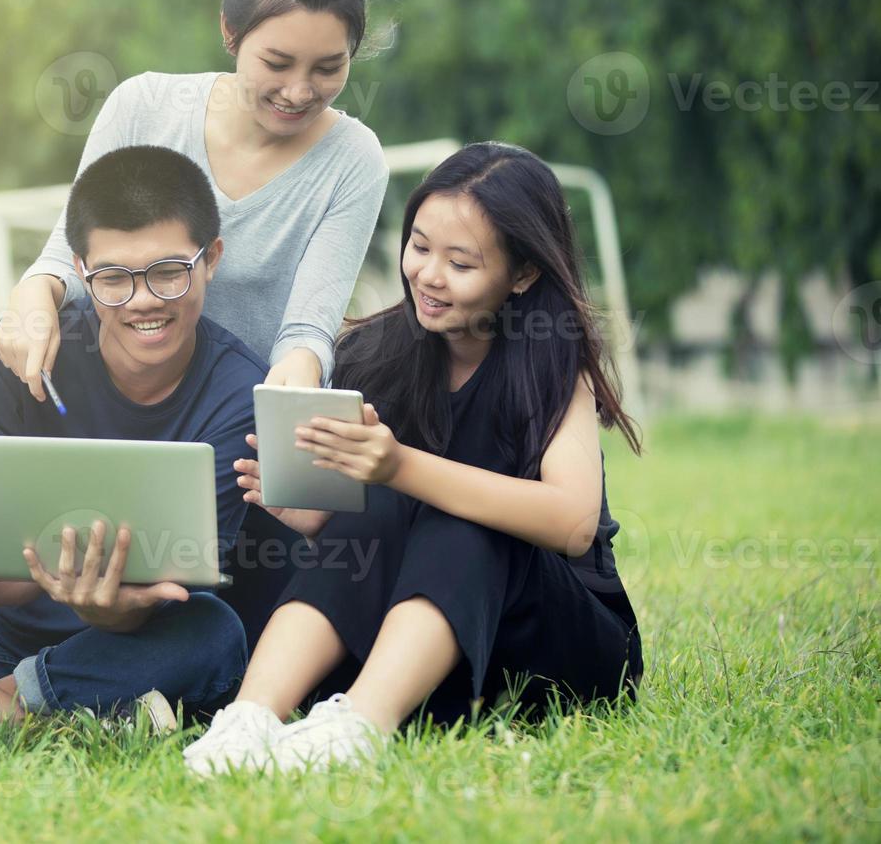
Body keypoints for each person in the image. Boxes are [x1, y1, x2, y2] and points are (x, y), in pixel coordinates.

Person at [183, 142, 646, 776]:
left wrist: (399, 467)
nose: (427, 274)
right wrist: (312, 512)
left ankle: (360, 731)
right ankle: (250, 719)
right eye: (420, 246)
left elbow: (572, 524)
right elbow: (375, 521)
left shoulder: (553, 364)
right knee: (381, 501)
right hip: (419, 654)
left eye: (460, 262)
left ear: (523, 274)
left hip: (551, 645)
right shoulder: (376, 353)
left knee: (459, 513)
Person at [0, 146, 289, 728]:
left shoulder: (240, 392)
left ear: (211, 259)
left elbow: (175, 589)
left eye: (169, 272)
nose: (143, 300)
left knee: (216, 635)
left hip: (140, 638)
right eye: (113, 278)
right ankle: (78, 713)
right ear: (79, 270)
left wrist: (109, 612)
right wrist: (56, 579)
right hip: (10, 634)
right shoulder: (16, 355)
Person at [0, 0, 390, 396]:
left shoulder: (352, 160)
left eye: (328, 68)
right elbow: (69, 258)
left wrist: (298, 375)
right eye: (276, 63)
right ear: (230, 31)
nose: (298, 91)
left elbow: (305, 334)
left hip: (234, 415)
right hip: (117, 397)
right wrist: (33, 293)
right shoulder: (144, 106)